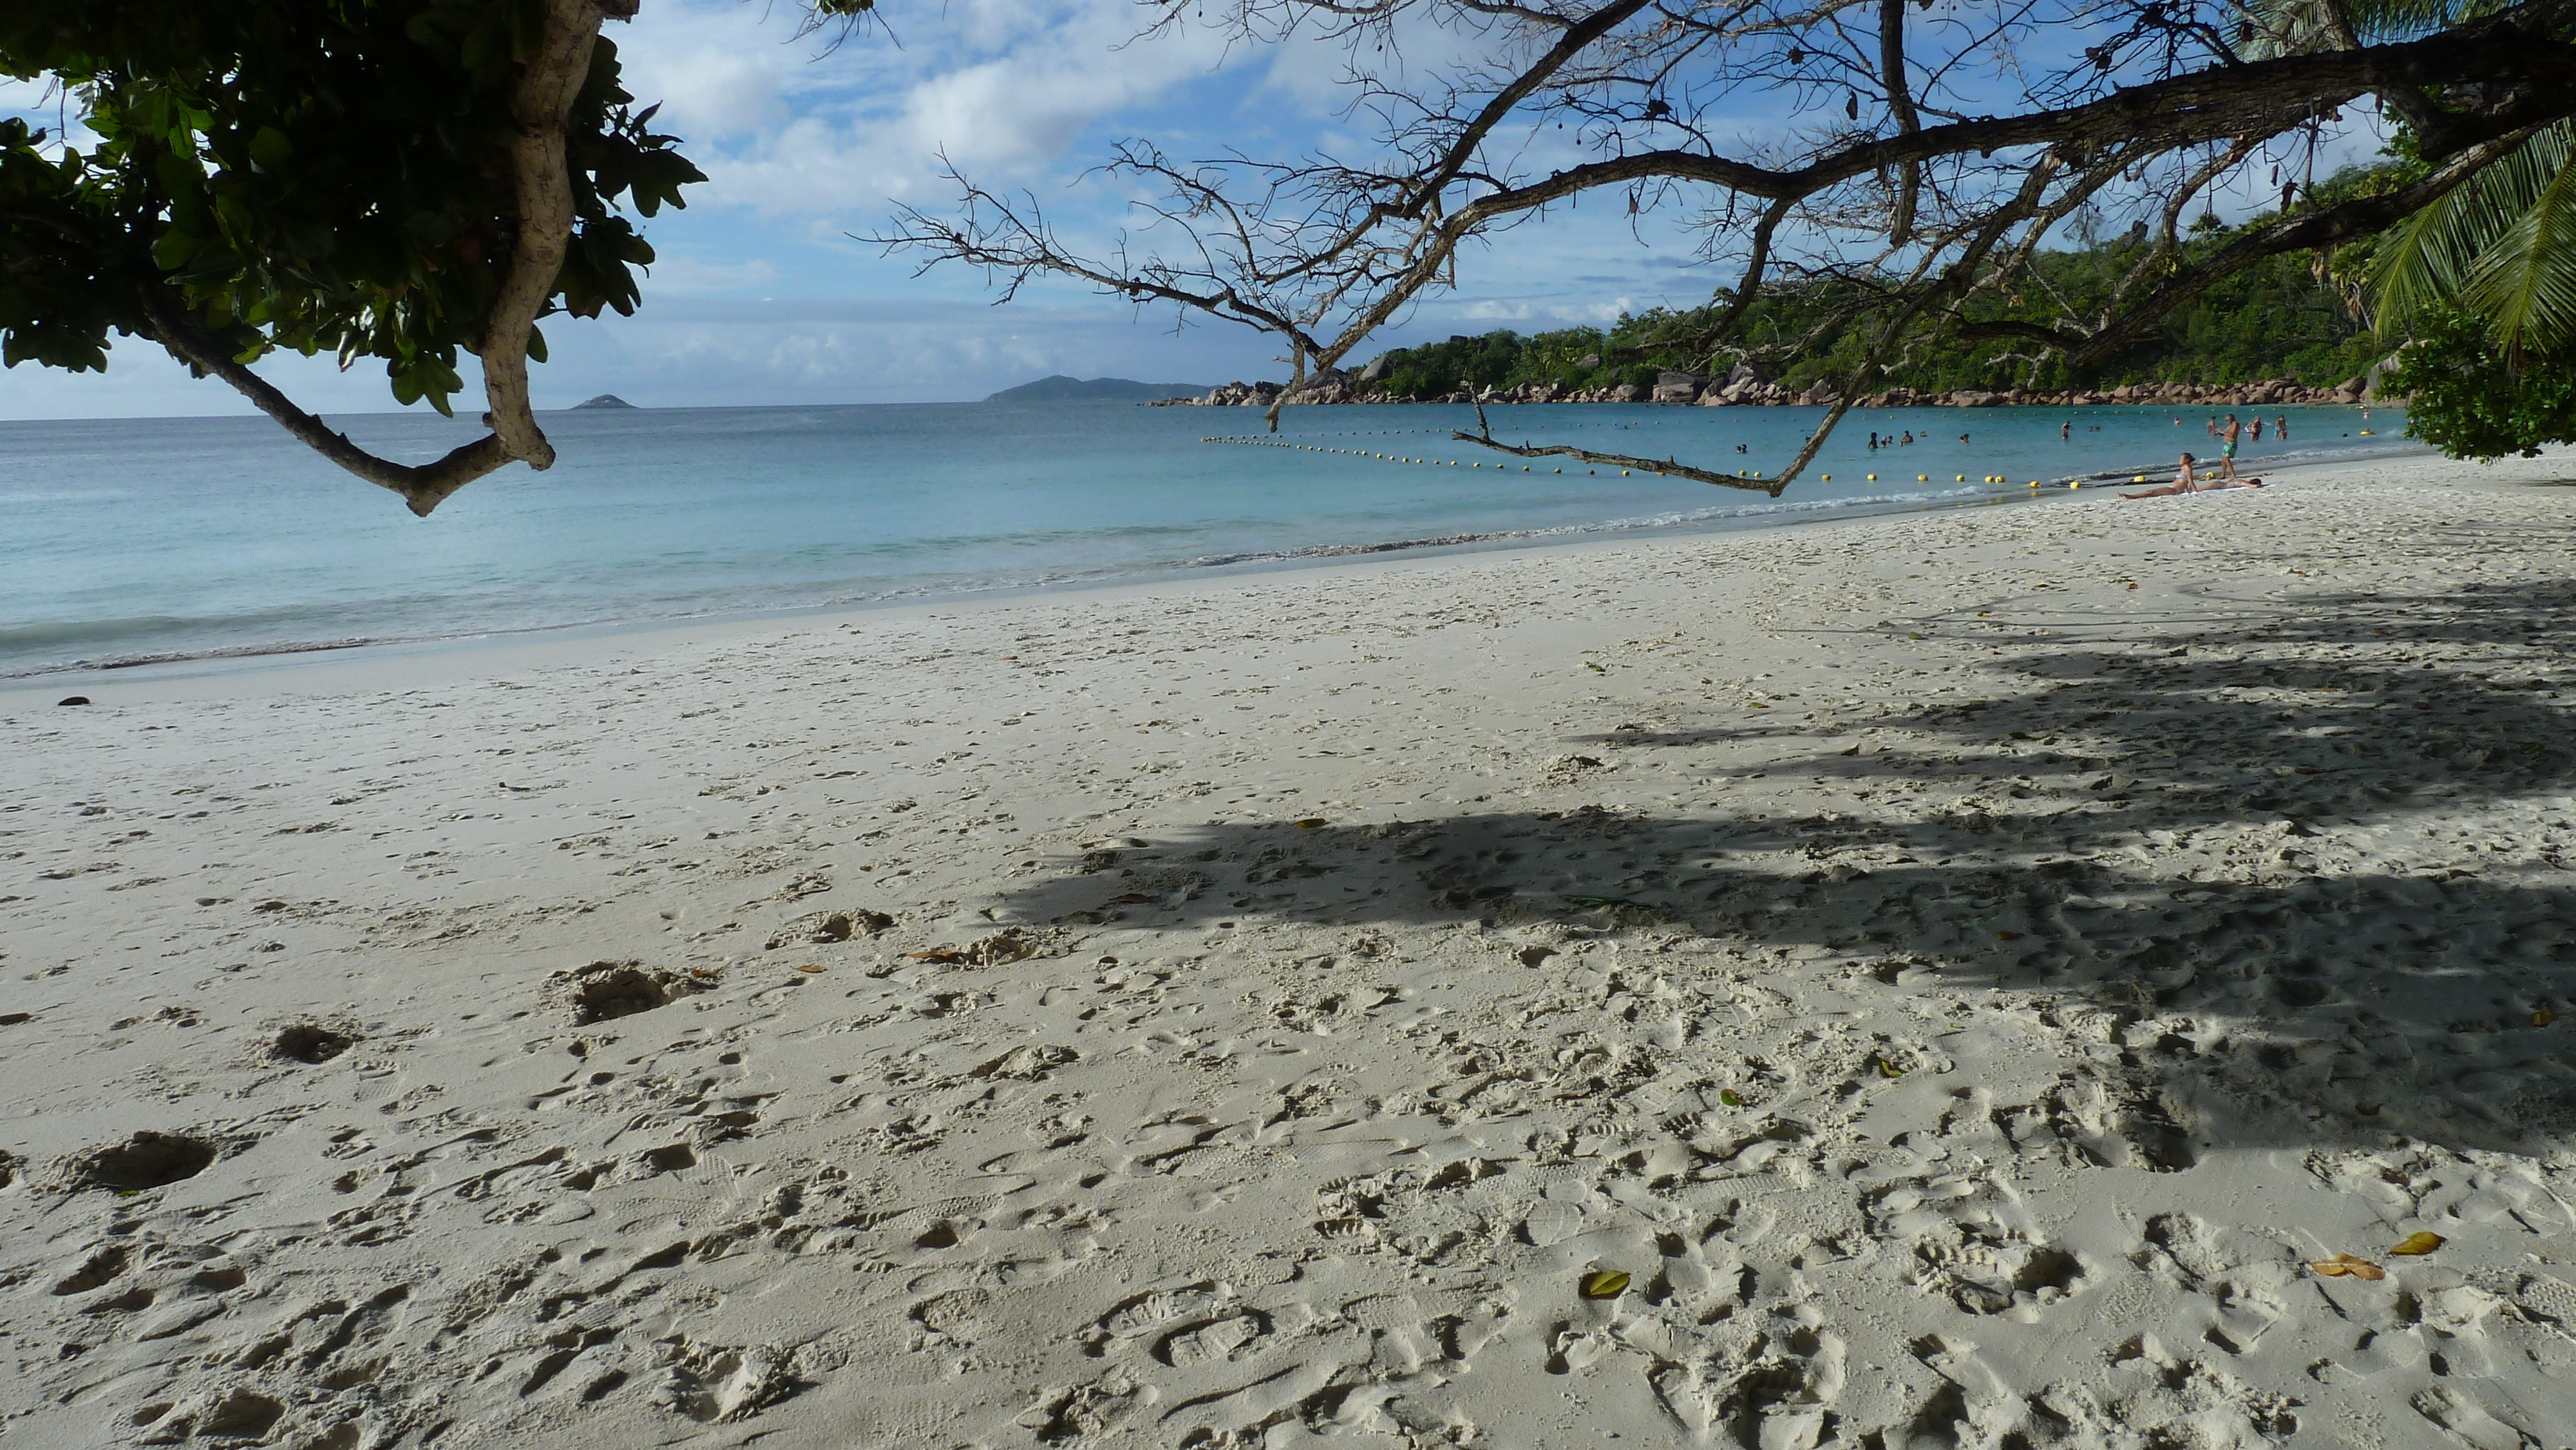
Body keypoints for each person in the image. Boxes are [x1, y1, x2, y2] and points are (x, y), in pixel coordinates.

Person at [2123, 453, 2200, 498]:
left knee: (2151, 492)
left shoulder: (2187, 467)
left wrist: (2195, 492)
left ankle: (2132, 496)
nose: (2180, 461)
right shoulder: (2184, 468)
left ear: (2187, 460)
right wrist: (2186, 491)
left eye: (2181, 459)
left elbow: (2190, 480)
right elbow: (2185, 481)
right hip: (2173, 488)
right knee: (2151, 492)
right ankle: (2132, 496)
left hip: (2174, 489)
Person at [2219, 413, 2242, 480]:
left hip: (2231, 444)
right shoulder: (2230, 426)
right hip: (2227, 444)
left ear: (2230, 419)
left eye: (2227, 420)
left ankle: (2233, 474)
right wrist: (2222, 433)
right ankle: (2223, 474)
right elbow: (2228, 434)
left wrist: (2223, 432)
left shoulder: (2235, 424)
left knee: (2226, 459)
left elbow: (2232, 434)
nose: (2226, 421)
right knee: (2223, 460)